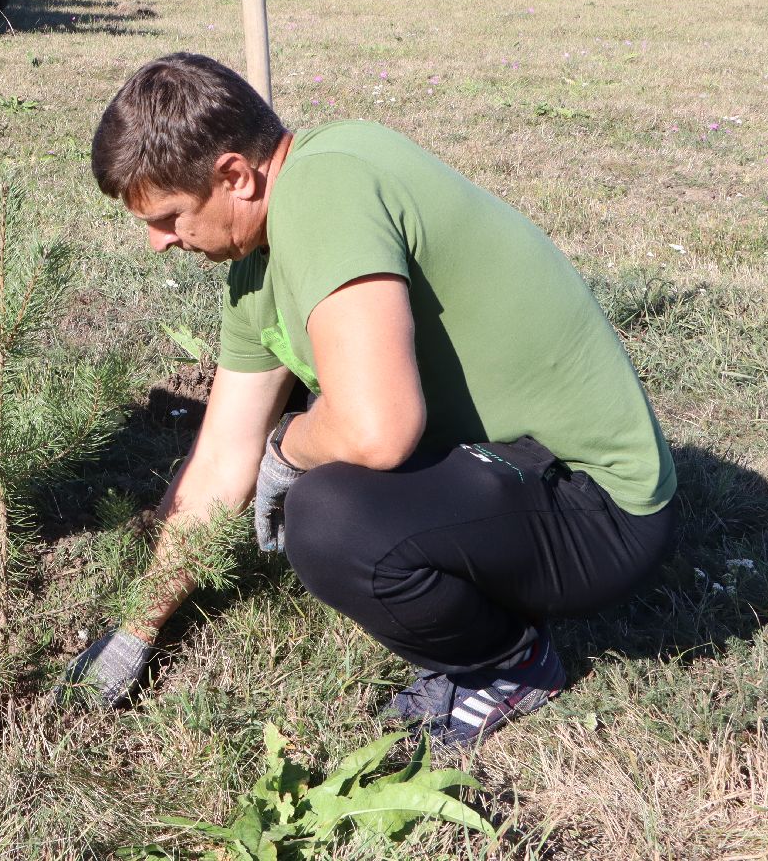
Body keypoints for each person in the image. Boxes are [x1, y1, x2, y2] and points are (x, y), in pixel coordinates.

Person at [62, 52, 677, 748]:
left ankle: (510, 665)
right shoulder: (259, 257)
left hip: (601, 509)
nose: (157, 244)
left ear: (235, 176)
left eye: (170, 216)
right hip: (513, 471)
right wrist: (136, 630)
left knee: (330, 515)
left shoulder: (325, 189)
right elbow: (222, 457)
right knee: (322, 472)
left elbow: (376, 429)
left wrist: (287, 450)